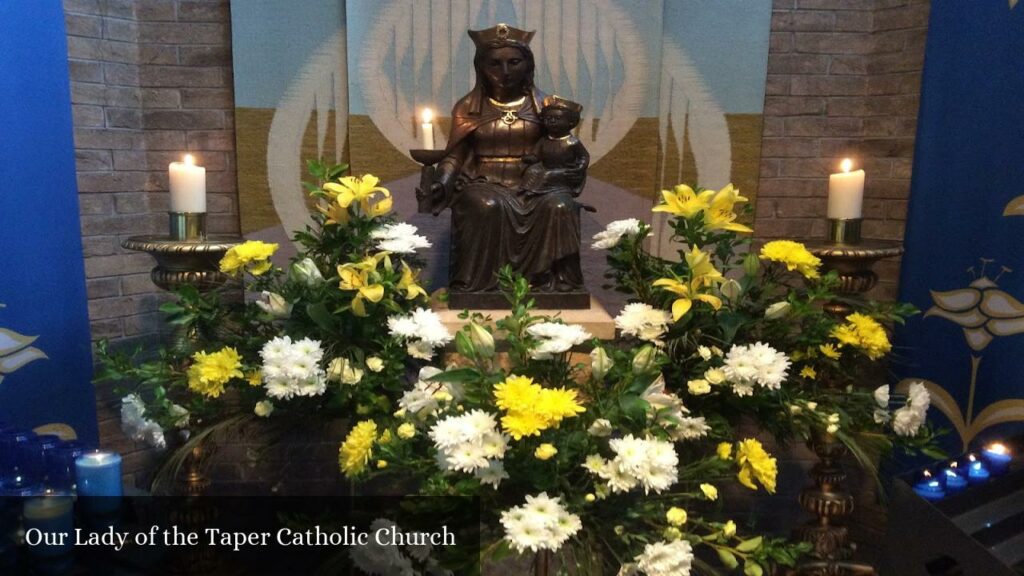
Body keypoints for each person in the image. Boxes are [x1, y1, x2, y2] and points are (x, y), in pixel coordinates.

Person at [421, 24, 587, 294]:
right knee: (486, 205)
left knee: (560, 206)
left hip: (535, 184)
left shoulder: (544, 106)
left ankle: (551, 283)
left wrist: (561, 176)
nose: (505, 72)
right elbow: (456, 155)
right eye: (495, 64)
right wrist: (441, 181)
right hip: (482, 180)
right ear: (481, 67)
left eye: (514, 62)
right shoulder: (468, 107)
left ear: (527, 64)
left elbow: (563, 148)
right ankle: (482, 285)